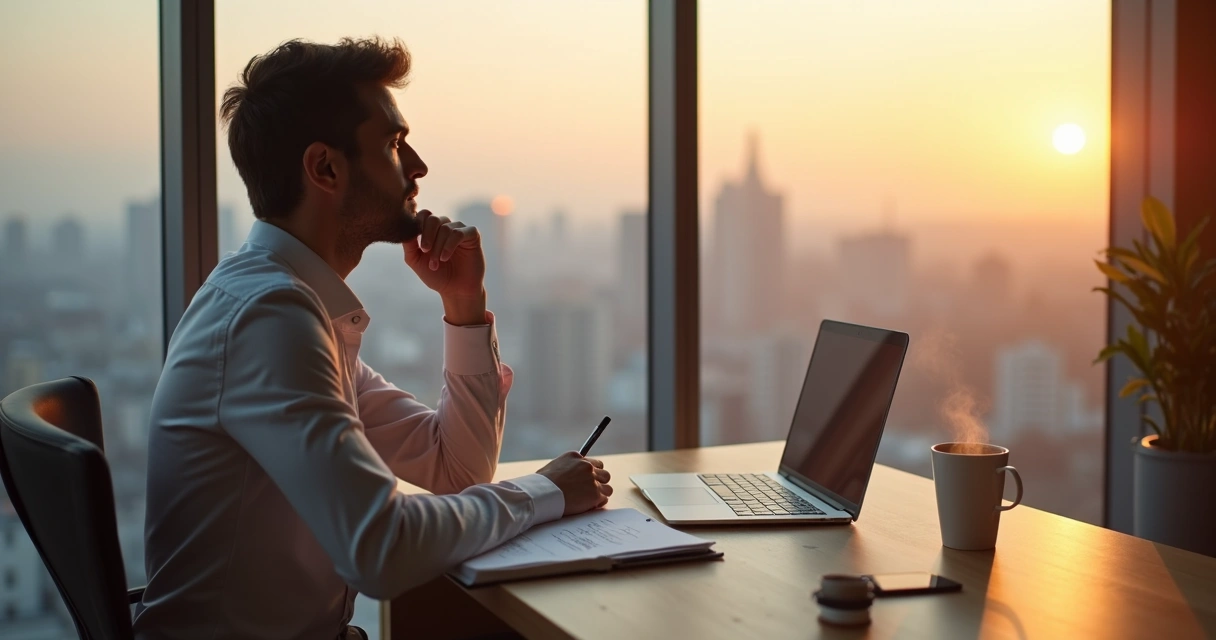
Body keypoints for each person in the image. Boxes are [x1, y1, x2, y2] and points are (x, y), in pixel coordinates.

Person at [133, 37, 613, 640]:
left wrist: (464, 306)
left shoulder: (295, 306)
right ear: (325, 169)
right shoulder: (269, 319)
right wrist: (544, 492)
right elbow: (381, 549)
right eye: (392, 143)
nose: (418, 166)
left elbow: (457, 470)